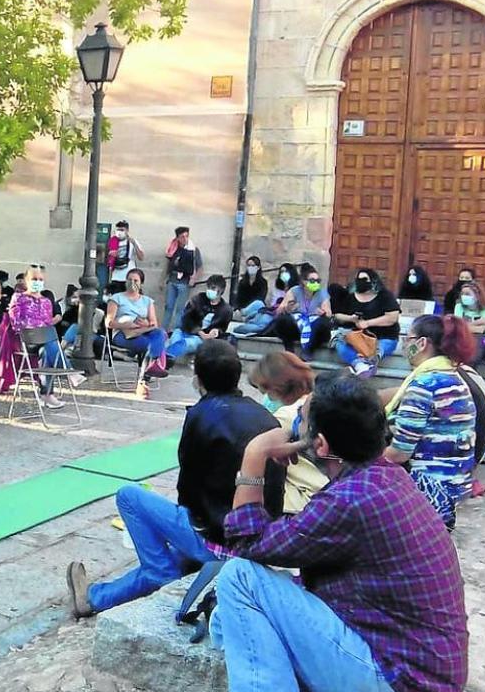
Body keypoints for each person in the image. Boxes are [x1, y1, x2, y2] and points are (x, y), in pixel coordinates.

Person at [196, 373, 467, 692]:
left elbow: (247, 544)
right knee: (231, 620)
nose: (295, 428)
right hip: (423, 675)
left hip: (403, 689)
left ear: (319, 444)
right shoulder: (383, 478)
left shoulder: (352, 499)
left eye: (302, 422)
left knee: (239, 580)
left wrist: (253, 457)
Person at [66, 340, 284, 617]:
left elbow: (188, 490)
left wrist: (183, 528)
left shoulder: (202, 415)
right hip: (259, 536)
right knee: (172, 555)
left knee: (129, 497)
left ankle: (158, 572)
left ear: (197, 379)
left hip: (220, 537)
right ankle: (95, 598)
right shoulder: (264, 415)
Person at [385, 314, 477, 528]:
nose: (404, 345)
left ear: (422, 343)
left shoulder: (424, 384)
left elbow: (400, 452)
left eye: (407, 339)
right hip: (456, 486)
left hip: (429, 491)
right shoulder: (455, 378)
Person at [247, 351, 326, 513]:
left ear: (277, 389)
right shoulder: (323, 400)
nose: (267, 397)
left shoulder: (286, 416)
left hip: (307, 498)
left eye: (267, 391)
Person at [8, 264, 79, 410]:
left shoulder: (46, 302)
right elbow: (16, 323)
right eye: (34, 279)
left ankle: (46, 395)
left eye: (40, 279)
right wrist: (36, 327)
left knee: (47, 349)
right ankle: (69, 372)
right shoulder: (18, 298)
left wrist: (41, 328)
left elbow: (48, 324)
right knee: (49, 340)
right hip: (27, 339)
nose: (37, 282)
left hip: (45, 341)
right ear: (27, 280)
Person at [105, 268, 169, 399]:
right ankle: (149, 373)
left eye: (135, 280)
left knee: (160, 333)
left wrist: (146, 324)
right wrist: (124, 324)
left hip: (143, 330)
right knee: (151, 344)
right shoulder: (117, 298)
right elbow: (108, 323)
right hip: (123, 333)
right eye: (129, 280)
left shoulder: (147, 301)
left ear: (141, 283)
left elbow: (154, 323)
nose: (132, 282)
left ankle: (146, 374)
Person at [331, 268, 401, 377]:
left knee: (382, 346)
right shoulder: (349, 296)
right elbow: (337, 315)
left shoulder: (385, 296)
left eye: (364, 279)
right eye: (358, 279)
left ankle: (372, 360)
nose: (361, 282)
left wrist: (368, 323)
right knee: (340, 344)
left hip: (383, 336)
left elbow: (392, 317)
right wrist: (351, 319)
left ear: (373, 280)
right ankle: (360, 364)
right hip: (357, 338)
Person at [270, 262, 331, 359]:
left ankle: (308, 351)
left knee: (323, 323)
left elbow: (328, 313)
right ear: (304, 281)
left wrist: (322, 312)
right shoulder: (295, 290)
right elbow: (280, 310)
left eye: (317, 281)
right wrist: (288, 308)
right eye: (312, 280)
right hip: (297, 327)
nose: (315, 283)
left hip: (313, 330)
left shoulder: (322, 293)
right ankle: (289, 349)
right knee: (282, 320)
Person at [166, 274, 233, 359]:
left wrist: (215, 332)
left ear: (221, 290)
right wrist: (199, 331)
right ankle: (164, 360)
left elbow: (222, 328)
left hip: (200, 339)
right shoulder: (198, 299)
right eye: (208, 287)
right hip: (186, 331)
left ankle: (163, 361)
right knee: (175, 338)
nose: (209, 290)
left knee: (186, 343)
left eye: (213, 288)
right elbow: (186, 319)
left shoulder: (225, 310)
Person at [231, 262, 296, 337]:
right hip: (270, 311)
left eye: (286, 272)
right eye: (281, 272)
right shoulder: (278, 288)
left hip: (275, 316)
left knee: (250, 325)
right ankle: (241, 314)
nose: (283, 274)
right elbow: (271, 304)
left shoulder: (295, 290)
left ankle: (246, 321)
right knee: (259, 303)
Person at [163, 226, 202, 332]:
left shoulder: (193, 250)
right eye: (182, 237)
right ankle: (163, 330)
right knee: (168, 306)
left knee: (180, 309)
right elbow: (168, 265)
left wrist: (194, 279)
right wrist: (163, 279)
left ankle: (176, 330)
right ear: (177, 238)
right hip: (172, 280)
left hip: (184, 282)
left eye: (186, 236)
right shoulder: (173, 248)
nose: (185, 239)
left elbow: (199, 267)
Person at [454, 281, 485, 365]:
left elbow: (483, 329)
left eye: (467, 294)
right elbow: (458, 325)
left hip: (481, 339)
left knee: (478, 339)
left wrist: (465, 325)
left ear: (477, 296)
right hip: (461, 336)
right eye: (462, 293)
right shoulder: (459, 307)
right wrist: (477, 324)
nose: (464, 296)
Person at [106, 220, 144, 294]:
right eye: (118, 230)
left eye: (122, 230)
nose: (119, 232)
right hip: (116, 277)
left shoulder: (132, 241)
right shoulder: (112, 241)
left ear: (127, 231)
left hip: (129, 276)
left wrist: (134, 244)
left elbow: (141, 257)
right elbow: (106, 260)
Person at [232, 255, 268, 320]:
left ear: (258, 267)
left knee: (259, 304)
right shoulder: (242, 282)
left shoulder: (263, 282)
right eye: (249, 265)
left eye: (253, 266)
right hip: (242, 308)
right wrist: (237, 308)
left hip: (254, 309)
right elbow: (238, 298)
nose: (250, 268)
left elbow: (261, 298)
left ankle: (245, 315)